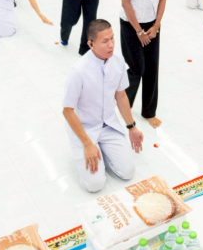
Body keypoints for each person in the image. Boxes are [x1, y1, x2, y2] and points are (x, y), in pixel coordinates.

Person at [62, 19, 145, 192]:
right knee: (95, 185)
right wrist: (87, 144)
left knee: (127, 172)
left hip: (108, 125)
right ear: (91, 44)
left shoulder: (118, 61)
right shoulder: (78, 71)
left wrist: (132, 127)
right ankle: (88, 148)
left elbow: (121, 95)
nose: (111, 45)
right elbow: (67, 111)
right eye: (105, 41)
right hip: (84, 129)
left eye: (112, 38)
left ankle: (104, 151)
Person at [118, 0, 168, 128]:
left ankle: (149, 111)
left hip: (152, 25)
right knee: (137, 67)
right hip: (131, 25)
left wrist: (156, 26)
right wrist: (139, 31)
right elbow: (126, 3)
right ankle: (123, 104)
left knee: (152, 68)